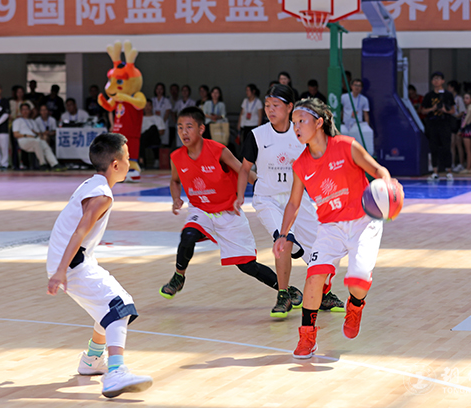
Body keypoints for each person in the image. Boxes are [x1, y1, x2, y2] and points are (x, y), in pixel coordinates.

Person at [273, 98, 398, 359]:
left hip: (363, 222)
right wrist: (283, 235)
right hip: (330, 227)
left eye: (301, 121)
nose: (296, 127)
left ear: (319, 122)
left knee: (358, 280)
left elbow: (378, 170)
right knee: (314, 277)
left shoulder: (346, 146)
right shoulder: (300, 165)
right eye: (294, 123)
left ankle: (355, 305)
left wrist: (388, 186)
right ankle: (307, 337)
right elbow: (293, 203)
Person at [46, 133, 153, 398]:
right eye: (128, 158)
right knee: (119, 305)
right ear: (115, 164)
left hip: (72, 259)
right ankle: (115, 372)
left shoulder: (92, 183)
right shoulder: (102, 195)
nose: (130, 163)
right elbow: (79, 231)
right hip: (71, 263)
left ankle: (92, 360)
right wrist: (61, 271)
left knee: (104, 306)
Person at [160, 106, 293, 316]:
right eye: (180, 127)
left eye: (189, 127)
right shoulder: (176, 156)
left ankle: (285, 290)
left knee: (247, 266)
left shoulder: (218, 151)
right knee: (188, 234)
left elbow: (243, 170)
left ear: (201, 129)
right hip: (201, 209)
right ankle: (179, 276)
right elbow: (175, 181)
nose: (184, 132)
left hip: (229, 212)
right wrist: (176, 198)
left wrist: (267, 191)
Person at [235, 85, 343, 317]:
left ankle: (323, 293)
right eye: (267, 105)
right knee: (283, 240)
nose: (270, 110)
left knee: (324, 250)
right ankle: (283, 295)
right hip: (268, 200)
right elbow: (244, 169)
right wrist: (240, 196)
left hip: (298, 200)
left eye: (276, 105)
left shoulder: (302, 134)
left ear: (290, 107)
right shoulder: (257, 135)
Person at [421, 72, 455, 180]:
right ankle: (435, 171)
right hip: (432, 124)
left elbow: (453, 110)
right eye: (434, 79)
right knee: (433, 147)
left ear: (443, 81)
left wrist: (445, 110)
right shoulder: (428, 95)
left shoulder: (448, 95)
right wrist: (433, 108)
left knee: (446, 147)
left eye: (438, 79)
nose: (436, 81)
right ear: (432, 81)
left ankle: (449, 171)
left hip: (445, 123)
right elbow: (423, 110)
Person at [12, 103, 65, 171]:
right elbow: (15, 134)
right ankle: (42, 164)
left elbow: (37, 133)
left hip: (34, 139)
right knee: (37, 142)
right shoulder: (17, 121)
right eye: (23, 110)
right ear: (21, 111)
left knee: (44, 144)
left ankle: (54, 164)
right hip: (24, 140)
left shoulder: (32, 121)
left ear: (30, 111)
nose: (25, 111)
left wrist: (40, 134)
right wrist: (26, 135)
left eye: (27, 109)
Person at [140, 99, 166, 168]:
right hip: (144, 140)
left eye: (149, 105)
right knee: (141, 139)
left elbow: (162, 131)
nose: (147, 107)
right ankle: (142, 161)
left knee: (153, 128)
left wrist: (150, 132)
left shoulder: (158, 118)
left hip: (154, 139)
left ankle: (142, 160)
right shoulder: (140, 118)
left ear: (152, 107)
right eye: (146, 106)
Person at [447, 81, 466, 172]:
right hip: (451, 122)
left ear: (453, 88)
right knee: (452, 144)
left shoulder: (459, 98)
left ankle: (461, 164)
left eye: (449, 87)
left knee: (459, 144)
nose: (448, 89)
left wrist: (455, 116)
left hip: (458, 122)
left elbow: (462, 112)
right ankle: (452, 163)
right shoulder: (449, 98)